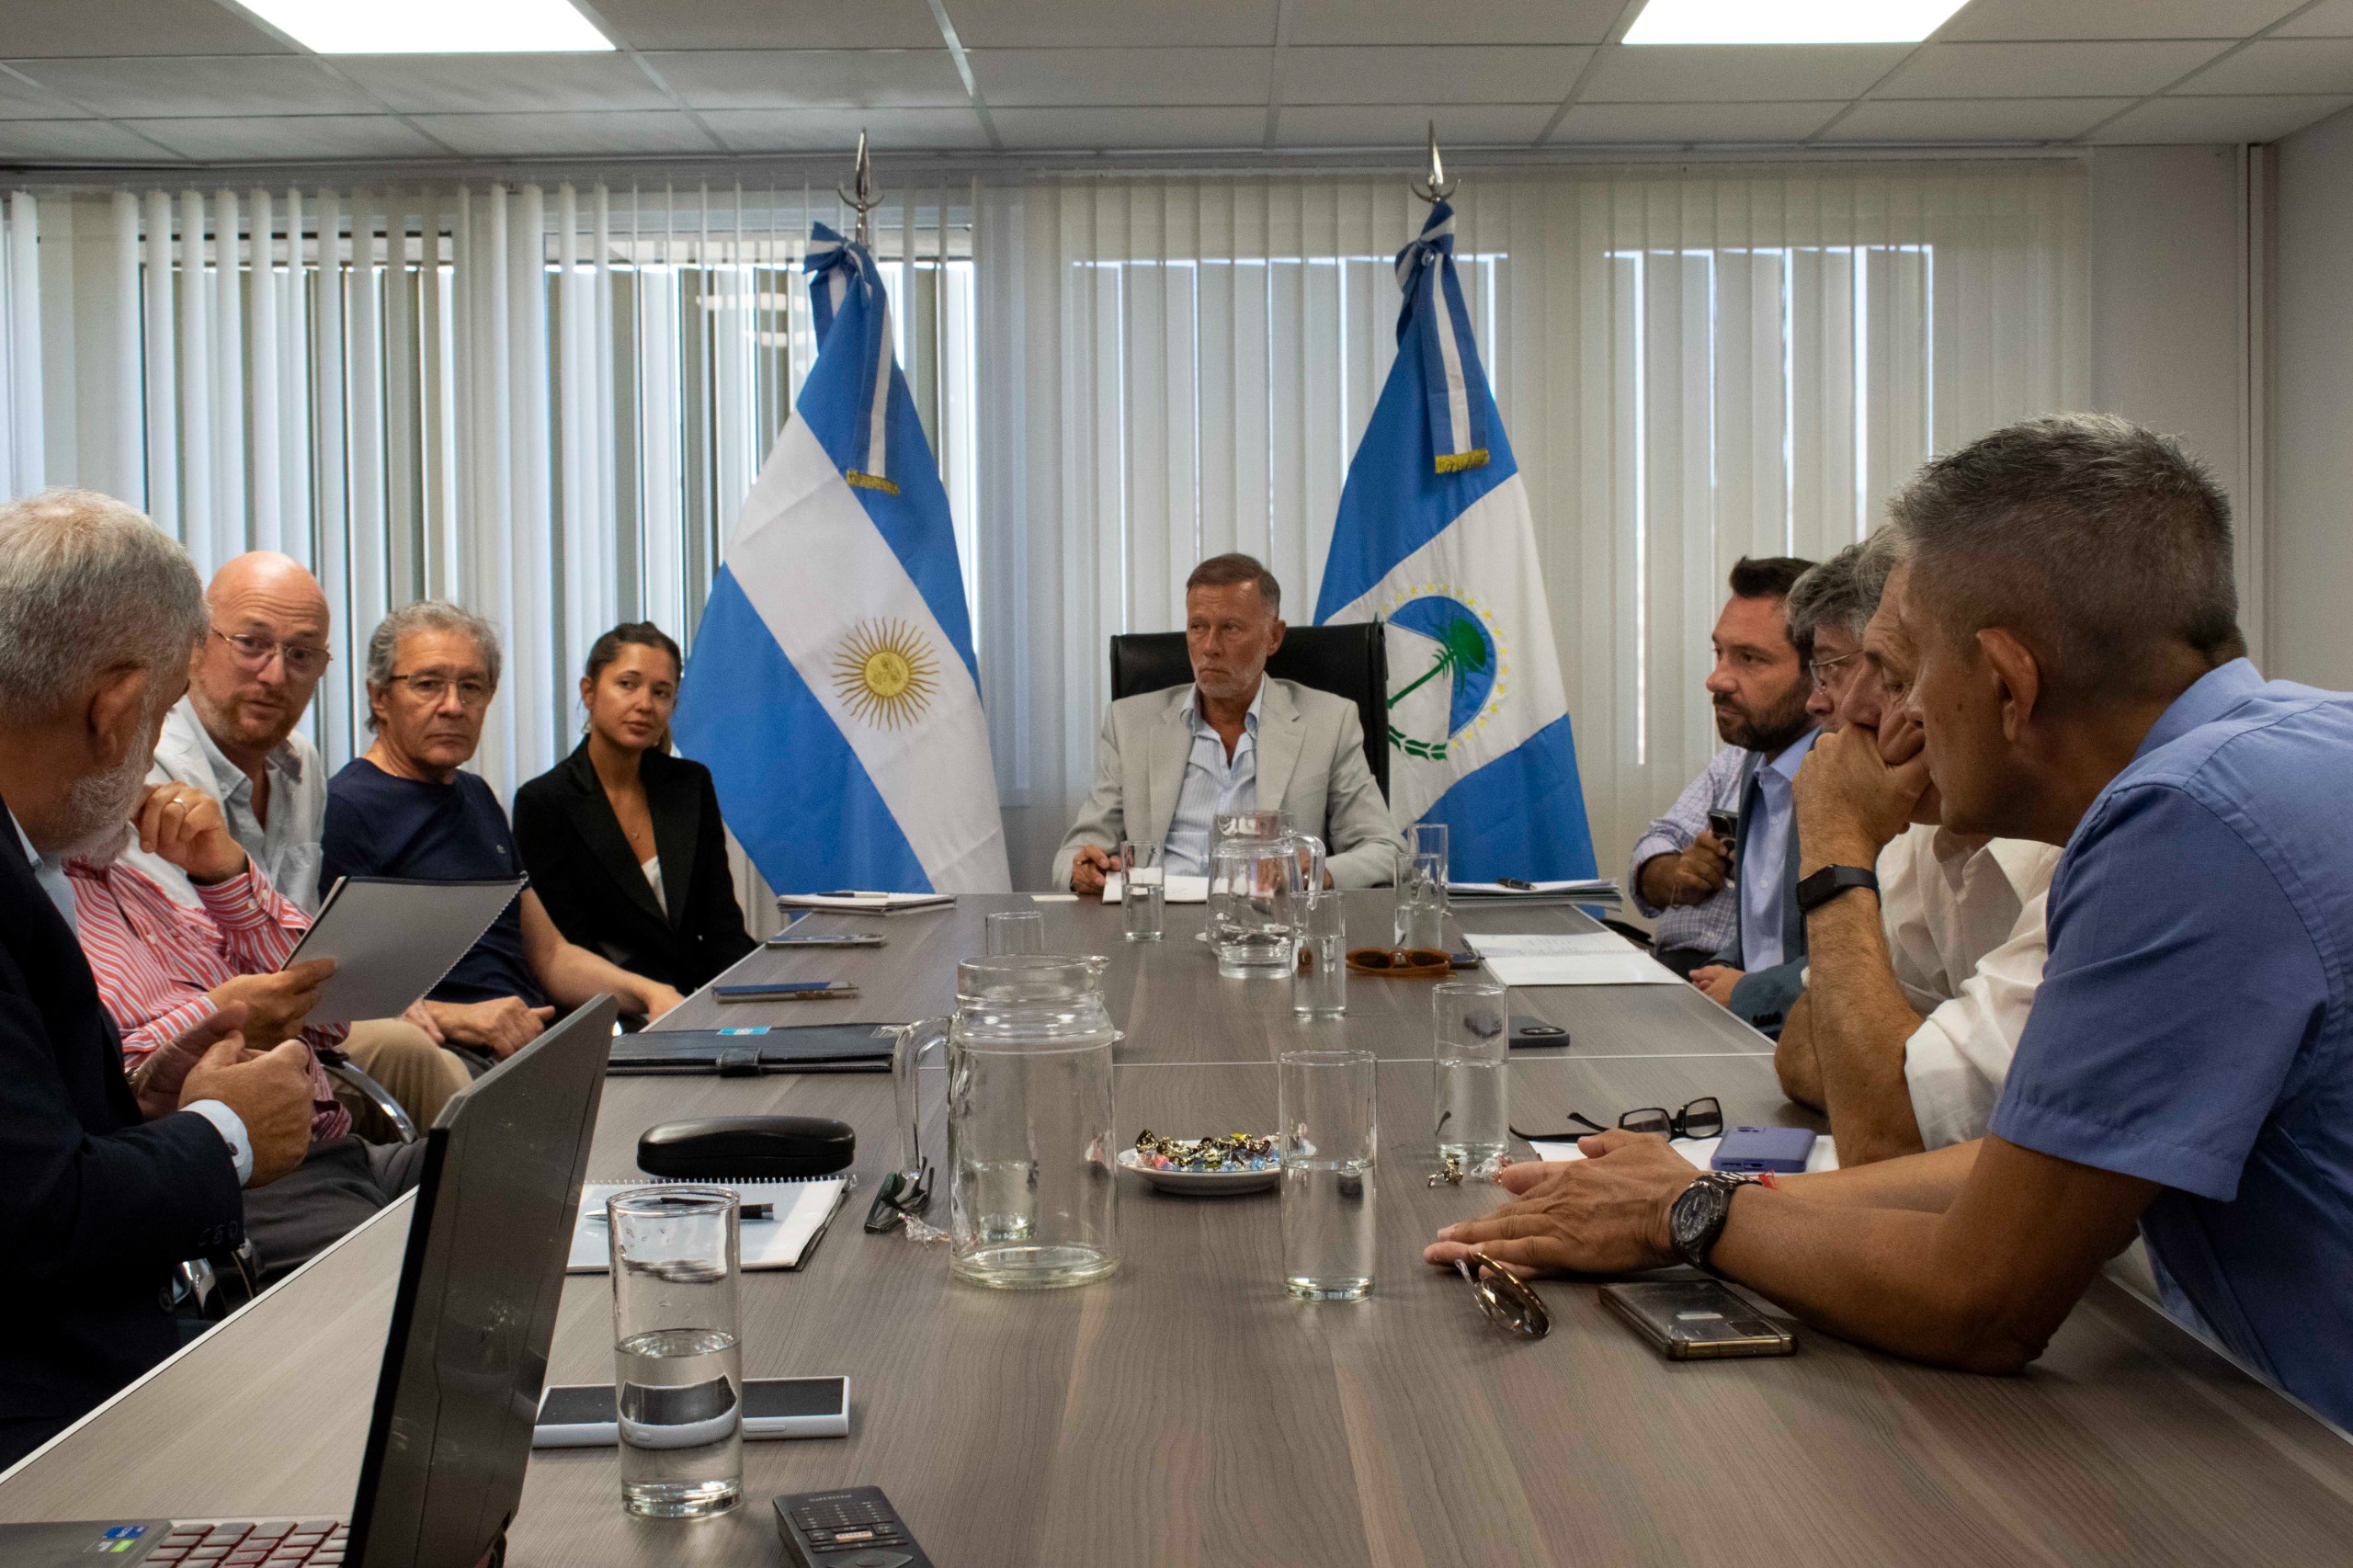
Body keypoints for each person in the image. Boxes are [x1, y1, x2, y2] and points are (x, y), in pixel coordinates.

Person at [1427, 415, 2353, 1431]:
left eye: (1905, 671)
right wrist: (1695, 1194)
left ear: (2006, 683)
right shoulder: (2294, 748)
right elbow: (2024, 1169)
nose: (1878, 715)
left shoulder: (2180, 825)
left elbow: (1982, 1299)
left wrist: (1684, 1210)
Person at [0, 488, 314, 1467]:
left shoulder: (35, 857)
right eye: (164, 715)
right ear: (118, 708)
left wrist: (153, 1103)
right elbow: (41, 1213)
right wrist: (222, 1132)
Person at [143, 550, 465, 1125]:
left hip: (299, 1018)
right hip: (193, 1037)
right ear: (196, 646)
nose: (274, 675)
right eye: (251, 644)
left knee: (437, 1069)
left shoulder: (302, 764)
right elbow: (189, 968)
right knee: (417, 1056)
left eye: (300, 654)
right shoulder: (149, 765)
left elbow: (302, 938)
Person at [1775, 529, 2060, 1163]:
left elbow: (1885, 1129)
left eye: (1896, 678)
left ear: (2009, 687)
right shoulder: (1929, 836)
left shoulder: (2089, 858)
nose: (1846, 711)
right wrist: (1894, 1065)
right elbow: (1800, 1050)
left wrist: (1835, 838)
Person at [70, 778, 427, 1282]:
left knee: (516, 1165)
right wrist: (217, 1015)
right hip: (243, 1182)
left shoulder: (132, 882)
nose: (143, 774)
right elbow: (88, 1096)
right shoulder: (43, 907)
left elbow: (328, 1018)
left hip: (340, 1150)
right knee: (415, 1287)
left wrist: (226, 874)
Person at [322, 602, 685, 1063]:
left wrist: (654, 993)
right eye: (428, 684)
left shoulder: (476, 796)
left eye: (471, 687)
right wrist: (464, 1018)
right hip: (449, 1059)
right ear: (379, 697)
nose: (453, 706)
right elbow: (344, 1000)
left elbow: (551, 955)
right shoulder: (347, 807)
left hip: (535, 1041)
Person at [1052, 553, 1400, 892]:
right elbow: (1074, 855)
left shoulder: (1328, 721)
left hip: (1269, 924)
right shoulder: (1130, 724)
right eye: (1197, 627)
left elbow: (1386, 852)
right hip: (1160, 922)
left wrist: (1316, 870)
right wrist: (1082, 871)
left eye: (1230, 628)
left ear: (1273, 637)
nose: (1209, 647)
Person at [514, 622, 755, 994]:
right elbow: (568, 947)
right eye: (627, 684)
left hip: (699, 1004)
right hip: (610, 1012)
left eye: (662, 692)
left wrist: (747, 1003)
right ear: (589, 692)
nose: (645, 704)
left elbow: (722, 925)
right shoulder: (544, 801)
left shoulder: (691, 784)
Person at [1682, 557, 1819, 1032]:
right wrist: (1707, 979)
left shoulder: (1851, 778)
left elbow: (1860, 963)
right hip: (1745, 1036)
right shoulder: (1757, 763)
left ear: (1818, 671)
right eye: (1719, 653)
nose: (1716, 679)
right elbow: (1760, 944)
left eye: (1749, 658)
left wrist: (1742, 993)